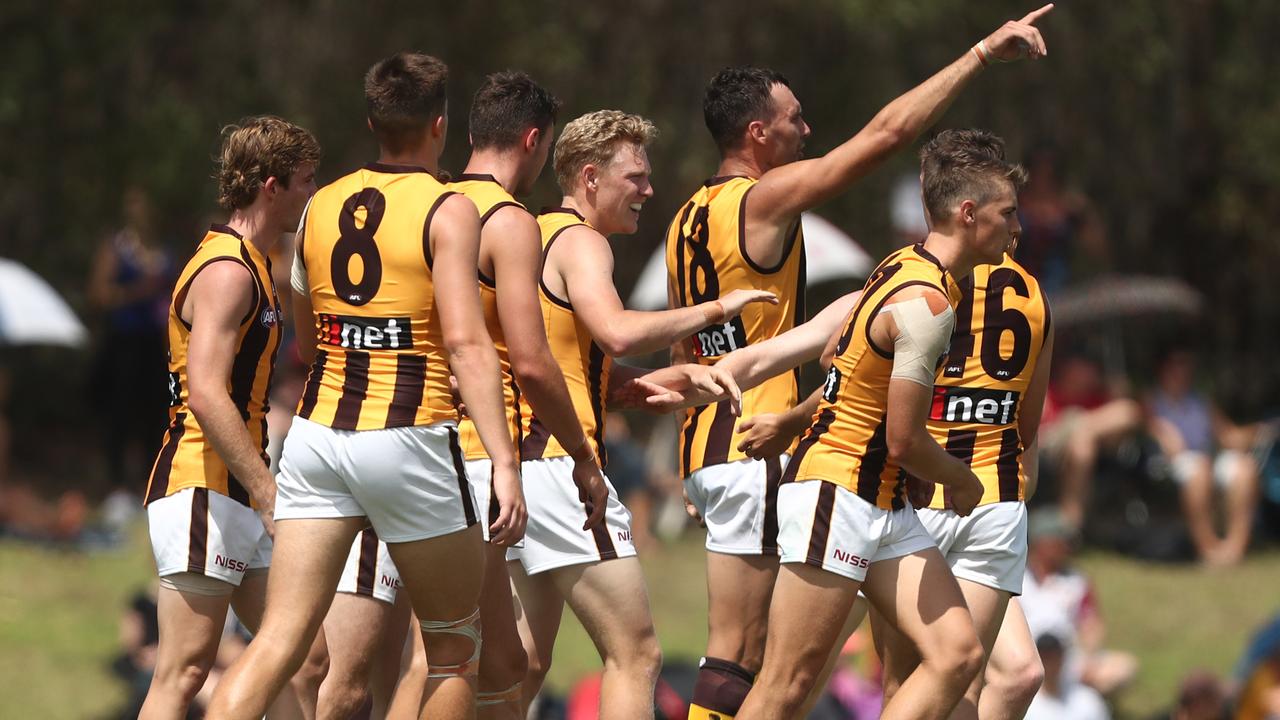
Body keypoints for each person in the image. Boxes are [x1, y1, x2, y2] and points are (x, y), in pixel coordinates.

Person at [666, 6, 1053, 716]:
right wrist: (976, 56)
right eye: (794, 119)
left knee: (956, 656)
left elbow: (809, 357)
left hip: (758, 449)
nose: (807, 132)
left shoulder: (689, 216)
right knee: (770, 675)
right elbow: (885, 136)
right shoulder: (768, 205)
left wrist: (704, 430)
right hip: (825, 479)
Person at [206, 52, 524, 720]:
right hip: (409, 438)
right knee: (452, 649)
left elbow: (305, 327)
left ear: (371, 122)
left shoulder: (320, 204)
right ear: (440, 125)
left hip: (319, 438)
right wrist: (503, 459)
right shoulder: (449, 206)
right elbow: (466, 342)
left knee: (278, 643)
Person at [738, 122, 1037, 720]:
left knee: (956, 656)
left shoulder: (904, 265)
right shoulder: (928, 303)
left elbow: (839, 366)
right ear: (969, 214)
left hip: (884, 503)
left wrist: (797, 419)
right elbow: (903, 439)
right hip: (839, 492)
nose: (1017, 228)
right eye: (1007, 214)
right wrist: (961, 477)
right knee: (787, 685)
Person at [511, 109, 767, 718]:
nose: (648, 191)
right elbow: (618, 333)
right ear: (591, 177)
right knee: (638, 655)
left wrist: (654, 384)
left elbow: (571, 368)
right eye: (636, 177)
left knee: (521, 663)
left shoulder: (535, 234)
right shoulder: (581, 241)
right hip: (560, 470)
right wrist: (715, 310)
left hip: (514, 465)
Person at [138, 115, 320, 720]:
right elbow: (207, 395)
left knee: (300, 657)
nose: (310, 194)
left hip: (238, 490)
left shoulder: (256, 264)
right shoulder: (226, 271)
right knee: (184, 670)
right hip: (202, 484)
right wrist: (268, 490)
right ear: (272, 185)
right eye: (304, 181)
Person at [450, 70, 609, 719]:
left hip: (375, 437)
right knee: (466, 661)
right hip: (470, 455)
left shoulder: (424, 206)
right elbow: (533, 363)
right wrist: (582, 454)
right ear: (535, 141)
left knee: (368, 668)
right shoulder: (509, 221)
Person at [875, 179, 1054, 718]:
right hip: (967, 495)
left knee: (936, 680)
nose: (1018, 228)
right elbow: (1029, 424)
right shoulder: (1031, 296)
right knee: (957, 679)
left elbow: (850, 363)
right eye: (1013, 215)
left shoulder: (910, 278)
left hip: (929, 493)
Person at [88, 186, 174, 520]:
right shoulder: (116, 247)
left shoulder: (163, 250)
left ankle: (148, 485)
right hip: (122, 343)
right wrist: (136, 292)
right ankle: (117, 486)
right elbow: (98, 294)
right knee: (119, 414)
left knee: (155, 414)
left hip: (156, 344)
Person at [1147, 349, 1260, 565]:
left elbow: (1229, 436)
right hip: (1168, 464)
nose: (1181, 371)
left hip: (1206, 459)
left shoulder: (1201, 401)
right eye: (1175, 365)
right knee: (1199, 470)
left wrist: (1259, 431)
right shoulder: (1150, 400)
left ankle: (1234, 548)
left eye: (1185, 365)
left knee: (1244, 468)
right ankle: (1208, 549)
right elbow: (1153, 431)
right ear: (1163, 370)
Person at [1020, 508, 1137, 697]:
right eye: (1062, 542)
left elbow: (1091, 624)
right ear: (1043, 544)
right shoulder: (1019, 579)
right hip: (1026, 655)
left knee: (1124, 667)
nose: (1068, 548)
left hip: (1067, 659)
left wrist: (1089, 656)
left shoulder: (1077, 581)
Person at [1023, 634, 1109, 720]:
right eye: (1045, 657)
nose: (1050, 663)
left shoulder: (1088, 700)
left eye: (1054, 657)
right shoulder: (1026, 706)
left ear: (1062, 657)